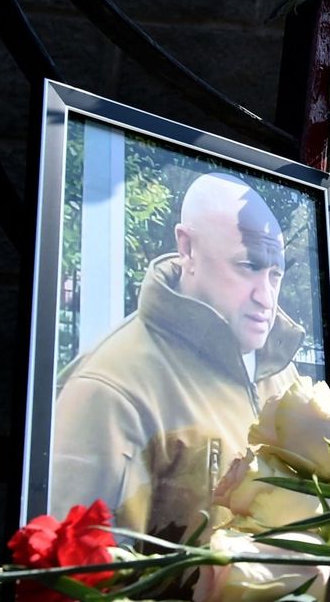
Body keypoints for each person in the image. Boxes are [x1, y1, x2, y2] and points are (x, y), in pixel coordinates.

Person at [51, 172, 304, 542]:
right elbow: (79, 582)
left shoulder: (279, 367)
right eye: (248, 266)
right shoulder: (111, 390)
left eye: (275, 273)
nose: (266, 297)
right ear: (187, 249)